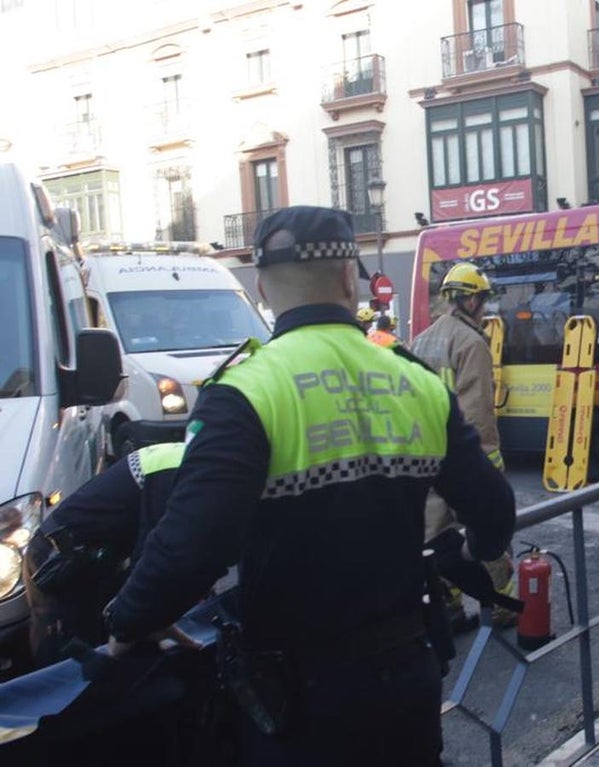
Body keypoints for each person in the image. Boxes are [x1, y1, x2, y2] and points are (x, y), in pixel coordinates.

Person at [103, 206, 516, 766]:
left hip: (296, 696)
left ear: (264, 291)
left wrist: (130, 621)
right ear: (351, 278)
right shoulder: (412, 379)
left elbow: (193, 542)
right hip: (405, 677)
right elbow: (493, 510)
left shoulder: (245, 390)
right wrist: (465, 551)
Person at [411, 261, 517, 629]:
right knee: (486, 530)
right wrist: (490, 467)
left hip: (427, 459)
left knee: (435, 537)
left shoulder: (421, 340)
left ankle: (449, 607)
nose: (485, 309)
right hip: (460, 458)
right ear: (470, 301)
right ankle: (504, 605)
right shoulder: (471, 343)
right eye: (483, 300)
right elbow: (477, 414)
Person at [22, 442, 186, 668]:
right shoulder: (172, 473)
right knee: (66, 666)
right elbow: (152, 560)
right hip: (59, 564)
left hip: (85, 557)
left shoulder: (180, 458)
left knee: (98, 651)